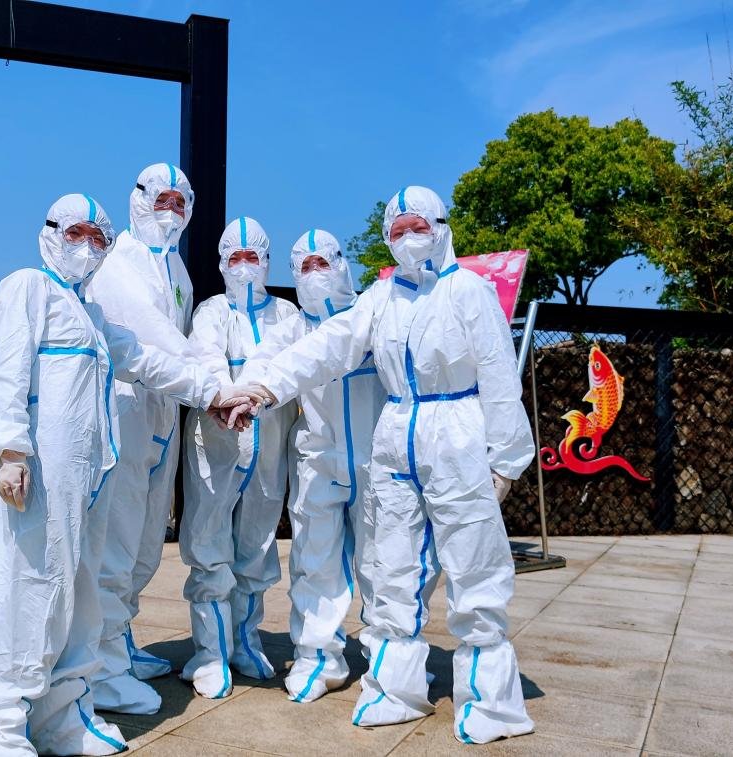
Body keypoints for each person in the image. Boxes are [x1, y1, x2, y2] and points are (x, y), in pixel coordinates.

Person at [237, 187, 535, 743]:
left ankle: (491, 702)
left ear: (440, 226)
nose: (407, 238)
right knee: (392, 566)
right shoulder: (381, 297)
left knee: (474, 566)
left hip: (457, 430)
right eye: (397, 231)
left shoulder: (467, 290)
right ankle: (395, 689)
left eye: (417, 226)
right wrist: (265, 387)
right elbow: (330, 345)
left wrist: (507, 458)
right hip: (397, 431)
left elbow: (499, 374)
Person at [0, 194, 251, 757]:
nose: (87, 247)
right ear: (50, 232)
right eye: (77, 234)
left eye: (99, 239)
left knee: (78, 596)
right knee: (24, 593)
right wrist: (9, 449)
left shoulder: (90, 315)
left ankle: (62, 716)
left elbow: (146, 361)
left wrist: (215, 392)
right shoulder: (28, 287)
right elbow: (5, 374)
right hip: (37, 480)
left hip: (86, 483)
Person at [237, 229, 381, 704]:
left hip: (376, 460)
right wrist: (240, 395)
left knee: (384, 562)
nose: (315, 273)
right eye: (305, 266)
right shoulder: (294, 329)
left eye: (324, 262)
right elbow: (261, 364)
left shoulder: (371, 313)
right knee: (314, 561)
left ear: (342, 265)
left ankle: (391, 658)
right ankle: (318, 657)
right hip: (318, 458)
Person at [82, 163, 195, 715]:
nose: (170, 211)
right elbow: (157, 337)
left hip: (164, 409)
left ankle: (119, 642)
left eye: (179, 201)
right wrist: (219, 387)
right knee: (118, 538)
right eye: (161, 200)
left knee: (148, 541)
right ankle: (102, 670)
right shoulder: (119, 260)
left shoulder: (178, 269)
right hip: (126, 405)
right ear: (139, 200)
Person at [178, 216, 299, 699]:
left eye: (253, 257)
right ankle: (210, 652)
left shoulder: (286, 315)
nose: (244, 266)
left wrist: (253, 396)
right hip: (216, 440)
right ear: (222, 263)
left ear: (266, 261)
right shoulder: (210, 311)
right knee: (208, 540)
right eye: (235, 257)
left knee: (257, 543)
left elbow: (283, 361)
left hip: (268, 443)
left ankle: (245, 642)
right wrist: (227, 396)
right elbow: (204, 356)